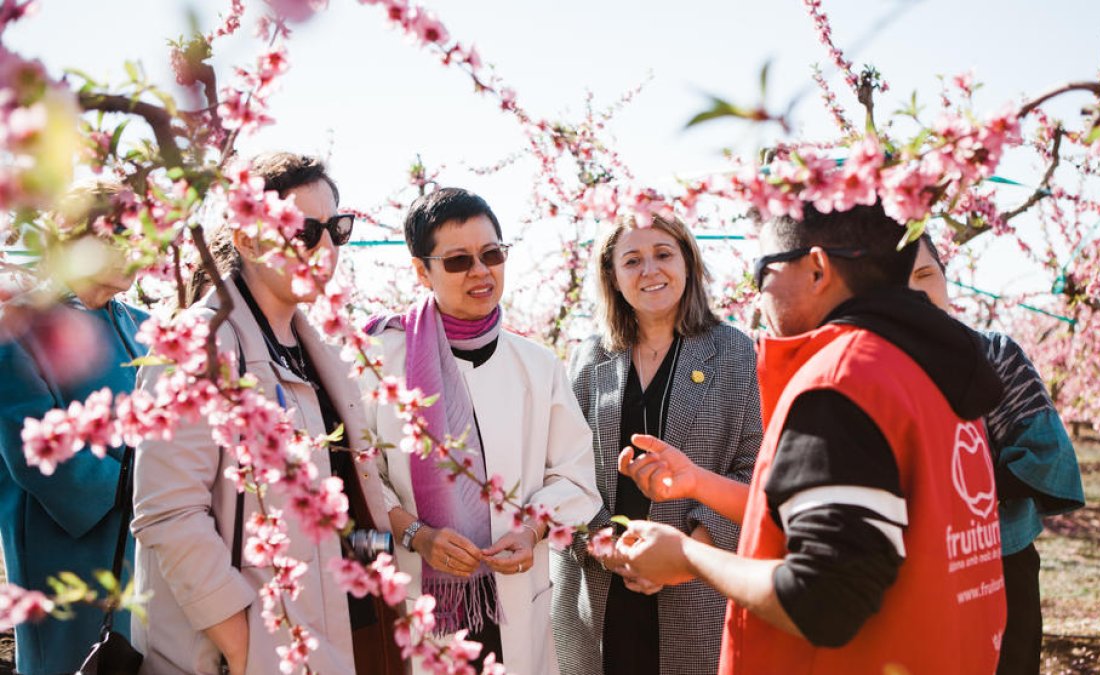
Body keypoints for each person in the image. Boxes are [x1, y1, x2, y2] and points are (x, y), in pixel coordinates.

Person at [611, 202, 1008, 674]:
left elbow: (822, 598)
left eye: (763, 273)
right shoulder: (931, 369)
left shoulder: (845, 379)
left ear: (817, 269)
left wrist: (689, 556)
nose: (758, 299)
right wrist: (698, 481)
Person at [132, 152, 396, 674]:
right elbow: (169, 514)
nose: (324, 247)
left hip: (335, 636)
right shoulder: (198, 345)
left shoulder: (321, 353)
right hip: (249, 650)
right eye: (304, 230)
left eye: (335, 229)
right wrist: (243, 643)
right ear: (249, 239)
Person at [360, 187, 601, 675]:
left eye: (492, 254)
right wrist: (418, 535)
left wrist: (532, 531)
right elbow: (357, 475)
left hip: (517, 596)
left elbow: (576, 477)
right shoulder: (376, 362)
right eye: (457, 261)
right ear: (420, 270)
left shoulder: (537, 365)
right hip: (419, 600)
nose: (480, 271)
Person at [551, 213, 762, 675]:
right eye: (632, 260)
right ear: (613, 276)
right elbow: (563, 470)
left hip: (696, 588)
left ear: (687, 261)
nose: (650, 270)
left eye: (663, 254)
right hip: (600, 587)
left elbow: (754, 470)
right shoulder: (589, 357)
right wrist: (611, 550)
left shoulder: (735, 352)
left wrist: (689, 556)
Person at [911, 233, 1084, 674]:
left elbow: (1045, 454)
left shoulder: (995, 353)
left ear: (946, 279)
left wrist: (958, 490)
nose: (916, 291)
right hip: (914, 570)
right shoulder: (869, 370)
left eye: (926, 274)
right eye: (897, 282)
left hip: (1002, 560)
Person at [0, 180, 147, 675]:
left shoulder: (146, 327)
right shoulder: (19, 326)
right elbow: (35, 453)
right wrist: (148, 489)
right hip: (66, 552)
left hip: (148, 548)